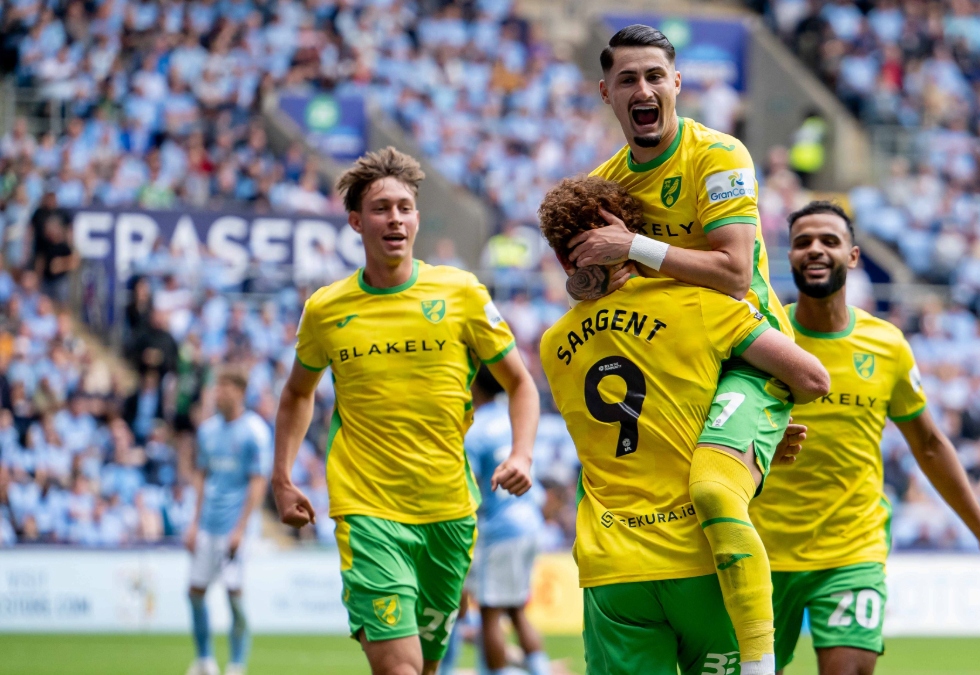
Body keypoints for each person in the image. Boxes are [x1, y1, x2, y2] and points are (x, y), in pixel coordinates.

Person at [537, 177, 830, 675]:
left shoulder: (551, 345)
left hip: (613, 568)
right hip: (700, 557)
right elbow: (811, 377)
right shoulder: (698, 304)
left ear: (565, 261)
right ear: (628, 233)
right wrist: (756, 431)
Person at [576, 25, 797, 674]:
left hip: (750, 358)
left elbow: (733, 271)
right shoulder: (603, 183)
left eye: (654, 77)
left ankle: (759, 663)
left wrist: (632, 248)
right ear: (606, 93)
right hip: (675, 369)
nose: (642, 89)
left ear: (676, 84)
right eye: (627, 80)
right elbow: (594, 293)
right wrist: (586, 273)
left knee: (712, 492)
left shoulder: (718, 156)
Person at [271, 147, 540, 675]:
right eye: (380, 208)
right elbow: (297, 394)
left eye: (404, 206)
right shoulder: (327, 309)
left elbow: (521, 384)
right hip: (368, 511)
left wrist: (523, 454)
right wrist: (282, 477)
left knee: (429, 666)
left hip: (449, 514)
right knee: (400, 669)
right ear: (356, 221)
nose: (394, 217)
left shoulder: (461, 293)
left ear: (416, 217)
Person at [750, 202, 980, 675]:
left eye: (829, 241)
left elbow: (930, 444)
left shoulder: (888, 346)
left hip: (851, 549)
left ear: (853, 257)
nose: (815, 250)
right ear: (790, 257)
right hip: (758, 551)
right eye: (802, 242)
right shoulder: (760, 338)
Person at [184, 368, 273, 675]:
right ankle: (205, 660)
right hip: (207, 524)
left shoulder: (255, 431)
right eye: (215, 388)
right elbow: (201, 475)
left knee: (234, 597)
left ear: (238, 392)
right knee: (194, 592)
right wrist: (193, 523)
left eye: (222, 389)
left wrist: (241, 529)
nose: (216, 394)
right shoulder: (207, 431)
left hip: (236, 528)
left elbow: (258, 483)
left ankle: (236, 664)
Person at [463, 365, 550, 675]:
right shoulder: (514, 419)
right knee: (515, 610)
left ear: (474, 387)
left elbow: (468, 485)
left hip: (499, 529)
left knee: (489, 613)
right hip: (529, 522)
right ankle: (540, 670)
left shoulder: (474, 431)